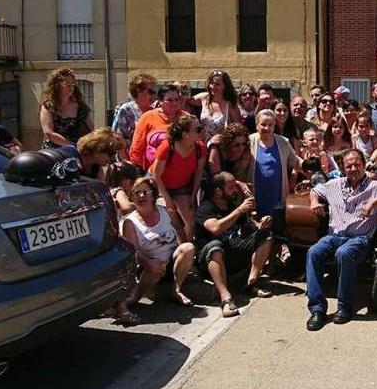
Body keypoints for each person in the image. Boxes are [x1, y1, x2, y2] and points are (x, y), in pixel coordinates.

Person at [305, 149, 377, 331]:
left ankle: (344, 307)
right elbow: (315, 190)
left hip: (360, 238)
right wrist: (314, 202)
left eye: (357, 164)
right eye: (349, 166)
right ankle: (317, 310)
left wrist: (374, 202)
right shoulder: (334, 184)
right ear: (343, 169)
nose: (353, 169)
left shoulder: (376, 186)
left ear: (363, 164)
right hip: (335, 235)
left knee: (344, 253)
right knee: (313, 252)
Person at [115, 177, 196, 325]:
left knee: (188, 248)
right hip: (149, 268)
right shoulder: (130, 222)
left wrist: (189, 260)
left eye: (145, 192)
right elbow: (133, 252)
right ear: (132, 197)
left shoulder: (166, 212)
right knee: (154, 267)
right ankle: (133, 298)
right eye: (136, 193)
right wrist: (149, 263)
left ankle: (176, 290)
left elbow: (180, 230)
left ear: (153, 195)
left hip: (171, 262)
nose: (141, 196)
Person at [195, 172, 275, 318]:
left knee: (266, 236)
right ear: (218, 190)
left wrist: (261, 225)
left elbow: (251, 227)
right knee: (215, 246)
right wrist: (239, 210)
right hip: (210, 259)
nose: (235, 190)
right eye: (231, 187)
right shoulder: (205, 208)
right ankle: (225, 298)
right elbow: (215, 228)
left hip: (232, 250)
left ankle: (250, 282)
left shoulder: (232, 206)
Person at [152, 114, 207, 242]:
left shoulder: (200, 148)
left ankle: (188, 247)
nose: (201, 131)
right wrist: (168, 200)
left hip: (182, 186)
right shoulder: (167, 147)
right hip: (161, 185)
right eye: (197, 129)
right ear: (185, 134)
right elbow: (156, 176)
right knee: (173, 220)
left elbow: (198, 173)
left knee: (190, 220)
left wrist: (193, 196)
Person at [249, 109, 301, 218]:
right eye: (263, 124)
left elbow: (295, 161)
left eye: (270, 125)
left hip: (277, 194)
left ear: (274, 125)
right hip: (256, 194)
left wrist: (310, 166)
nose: (267, 128)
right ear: (256, 125)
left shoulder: (283, 142)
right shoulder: (249, 141)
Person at [130, 84, 187, 170]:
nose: (174, 103)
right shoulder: (147, 117)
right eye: (169, 100)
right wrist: (138, 170)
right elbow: (137, 147)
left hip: (181, 171)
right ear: (160, 101)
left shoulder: (186, 118)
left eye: (176, 99)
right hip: (153, 172)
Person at [39, 67, 94, 149]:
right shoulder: (48, 106)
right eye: (67, 83)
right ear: (57, 86)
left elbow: (91, 129)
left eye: (73, 83)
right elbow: (48, 132)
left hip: (79, 150)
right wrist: (71, 146)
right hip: (54, 151)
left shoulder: (81, 106)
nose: (71, 86)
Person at [112, 73, 157, 155]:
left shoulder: (154, 110)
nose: (153, 95)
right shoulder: (126, 110)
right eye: (150, 92)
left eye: (154, 92)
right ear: (138, 91)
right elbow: (117, 138)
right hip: (131, 158)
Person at [194, 70, 241, 142]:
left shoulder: (231, 106)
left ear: (225, 86)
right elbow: (184, 100)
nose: (213, 87)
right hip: (203, 147)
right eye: (211, 83)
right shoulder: (203, 98)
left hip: (220, 147)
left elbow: (239, 129)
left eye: (217, 84)